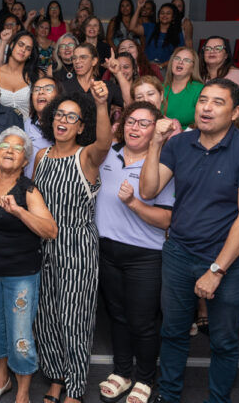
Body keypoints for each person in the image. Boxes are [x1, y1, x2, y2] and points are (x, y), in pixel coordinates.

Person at [139, 78, 239, 403]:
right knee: (173, 332)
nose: (206, 108)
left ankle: (218, 399)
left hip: (228, 262)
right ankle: (169, 396)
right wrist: (155, 144)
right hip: (179, 254)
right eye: (203, 100)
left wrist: (217, 270)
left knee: (223, 340)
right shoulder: (179, 144)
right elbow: (148, 190)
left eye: (217, 102)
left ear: (235, 112)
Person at [32, 85, 112, 403]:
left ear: (81, 126)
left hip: (77, 245)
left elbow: (104, 143)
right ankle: (55, 378)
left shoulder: (87, 156)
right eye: (59, 115)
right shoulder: (41, 156)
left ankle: (75, 388)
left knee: (75, 318)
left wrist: (102, 104)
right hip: (43, 245)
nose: (63, 120)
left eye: (71, 117)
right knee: (46, 316)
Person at [96, 102, 175, 403]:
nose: (135, 128)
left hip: (145, 256)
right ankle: (121, 372)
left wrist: (134, 204)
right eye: (131, 121)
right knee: (117, 316)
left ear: (156, 130)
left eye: (144, 123)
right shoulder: (108, 154)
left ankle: (144, 378)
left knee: (142, 322)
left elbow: (165, 219)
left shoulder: (163, 165)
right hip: (108, 250)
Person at [0, 126, 58, 403]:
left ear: (25, 160)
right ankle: (3, 381)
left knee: (20, 337)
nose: (9, 150)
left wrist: (19, 211)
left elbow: (50, 230)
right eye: (4, 146)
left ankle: (23, 392)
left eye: (17, 148)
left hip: (21, 275)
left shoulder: (28, 190)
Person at [198, 36, 239, 129]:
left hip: (233, 130)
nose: (212, 51)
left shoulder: (238, 75)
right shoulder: (200, 77)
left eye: (218, 48)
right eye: (208, 48)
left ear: (226, 55)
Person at [62, 43, 124, 113]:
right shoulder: (63, 87)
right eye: (74, 58)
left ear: (94, 61)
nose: (77, 61)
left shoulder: (105, 86)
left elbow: (129, 103)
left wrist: (118, 73)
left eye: (83, 57)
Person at [128, 0, 184, 69]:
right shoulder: (150, 27)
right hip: (147, 66)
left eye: (168, 13)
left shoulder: (177, 33)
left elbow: (179, 54)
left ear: (173, 17)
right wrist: (139, 8)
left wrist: (162, 65)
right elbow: (132, 27)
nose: (164, 15)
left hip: (165, 68)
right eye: (162, 13)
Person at [0, 31, 38, 118]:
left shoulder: (35, 75)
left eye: (28, 49)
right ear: (12, 45)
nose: (23, 50)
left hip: (27, 124)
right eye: (20, 45)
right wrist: (3, 41)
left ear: (30, 54)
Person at [24, 77, 60, 177]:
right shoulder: (25, 125)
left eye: (48, 89)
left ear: (58, 95)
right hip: (30, 184)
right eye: (36, 89)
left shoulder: (65, 124)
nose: (41, 92)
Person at [163, 48, 204, 129]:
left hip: (189, 135)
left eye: (186, 60)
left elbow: (204, 121)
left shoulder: (200, 90)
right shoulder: (161, 88)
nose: (180, 62)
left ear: (193, 68)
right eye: (177, 58)